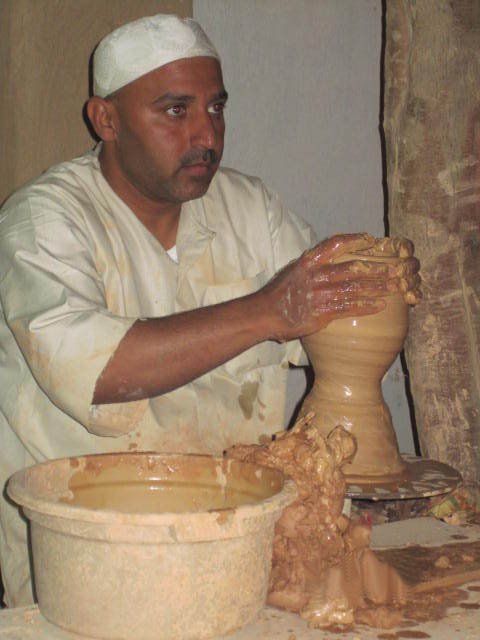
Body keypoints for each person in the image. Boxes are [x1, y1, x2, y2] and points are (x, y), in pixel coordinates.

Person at [0, 14, 419, 607]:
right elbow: (100, 372)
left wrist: (378, 279)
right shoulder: (41, 223)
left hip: (243, 545)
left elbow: (338, 324)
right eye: (176, 111)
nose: (207, 134)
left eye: (216, 108)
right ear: (107, 119)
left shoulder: (251, 211)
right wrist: (269, 311)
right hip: (91, 560)